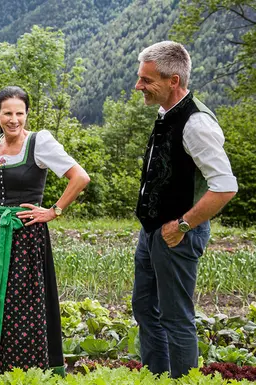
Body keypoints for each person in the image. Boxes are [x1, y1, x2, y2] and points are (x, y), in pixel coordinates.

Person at [0, 86, 90, 376]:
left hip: (27, 233)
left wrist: (53, 211)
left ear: (27, 114)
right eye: (7, 113)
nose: (13, 119)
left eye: (19, 113)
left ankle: (24, 369)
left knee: (23, 303)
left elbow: (80, 177)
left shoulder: (40, 143)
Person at [132, 41, 237, 378]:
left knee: (176, 318)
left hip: (176, 234)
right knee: (145, 308)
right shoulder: (167, 114)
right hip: (152, 231)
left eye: (147, 80)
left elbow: (224, 186)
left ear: (173, 81)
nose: (139, 86)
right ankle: (158, 377)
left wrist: (182, 225)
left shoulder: (196, 124)